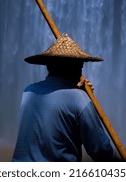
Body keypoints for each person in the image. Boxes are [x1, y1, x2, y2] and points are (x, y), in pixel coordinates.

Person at [12, 33, 116, 162]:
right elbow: (101, 151)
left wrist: (77, 92)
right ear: (76, 67)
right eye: (81, 64)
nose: (82, 69)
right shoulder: (79, 99)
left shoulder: (28, 92)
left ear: (48, 66)